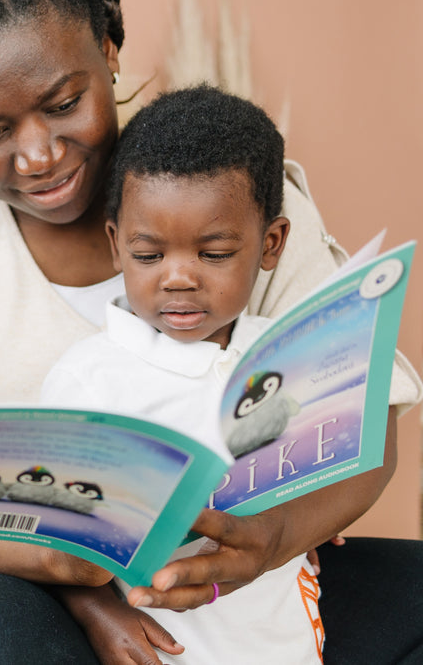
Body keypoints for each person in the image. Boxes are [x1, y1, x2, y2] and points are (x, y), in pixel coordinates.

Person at [0, 0, 423, 663]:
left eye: (64, 102)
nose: (39, 154)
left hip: (232, 570)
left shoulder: (236, 192)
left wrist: (273, 538)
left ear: (107, 53)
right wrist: (83, 587)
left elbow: (368, 422)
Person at [40, 84, 322, 664]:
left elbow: (315, 480)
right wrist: (96, 609)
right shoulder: (88, 380)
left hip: (282, 637)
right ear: (117, 244)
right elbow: (54, 542)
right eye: (149, 256)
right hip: (165, 644)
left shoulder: (287, 357)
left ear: (271, 244)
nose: (177, 279)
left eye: (213, 254)